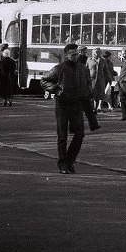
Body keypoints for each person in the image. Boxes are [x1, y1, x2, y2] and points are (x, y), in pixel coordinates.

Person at [40, 44, 92, 174]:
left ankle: (70, 161)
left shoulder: (83, 69)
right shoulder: (59, 68)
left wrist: (88, 93)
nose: (75, 57)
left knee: (80, 134)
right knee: (62, 136)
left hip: (77, 105)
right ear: (66, 55)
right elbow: (44, 81)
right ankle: (63, 164)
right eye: (72, 54)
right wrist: (57, 89)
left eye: (77, 54)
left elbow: (88, 83)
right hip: (62, 105)